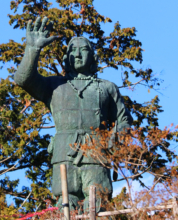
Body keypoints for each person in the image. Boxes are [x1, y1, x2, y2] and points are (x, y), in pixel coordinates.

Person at [14, 17, 133, 212]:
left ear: (92, 57)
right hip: (63, 154)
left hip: (96, 154)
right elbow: (23, 79)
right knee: (66, 206)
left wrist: (116, 137)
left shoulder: (107, 88)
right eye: (72, 51)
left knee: (96, 203)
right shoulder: (53, 86)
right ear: (66, 57)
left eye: (83, 50)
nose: (77, 55)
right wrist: (32, 49)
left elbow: (124, 120)